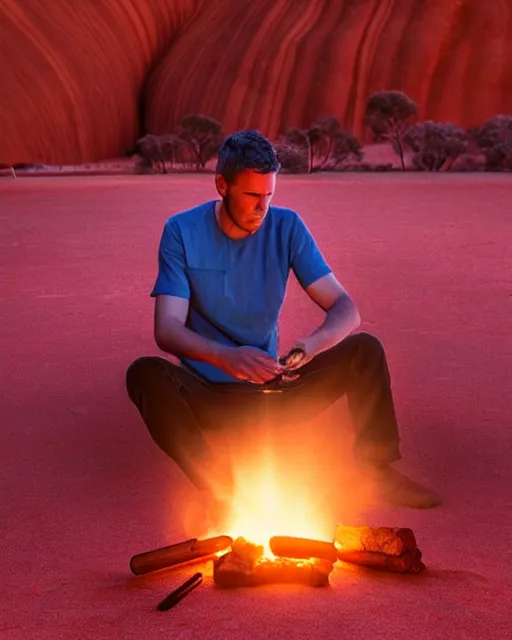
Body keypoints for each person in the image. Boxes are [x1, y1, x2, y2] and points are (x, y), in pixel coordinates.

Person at [126, 129, 441, 523]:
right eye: (253, 196)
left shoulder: (287, 227)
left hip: (272, 391)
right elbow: (167, 330)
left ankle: (376, 470)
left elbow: (346, 308)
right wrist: (227, 358)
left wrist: (312, 345)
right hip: (208, 395)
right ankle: (221, 489)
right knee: (144, 374)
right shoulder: (181, 232)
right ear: (222, 185)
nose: (263, 208)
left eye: (270, 195)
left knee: (364, 348)